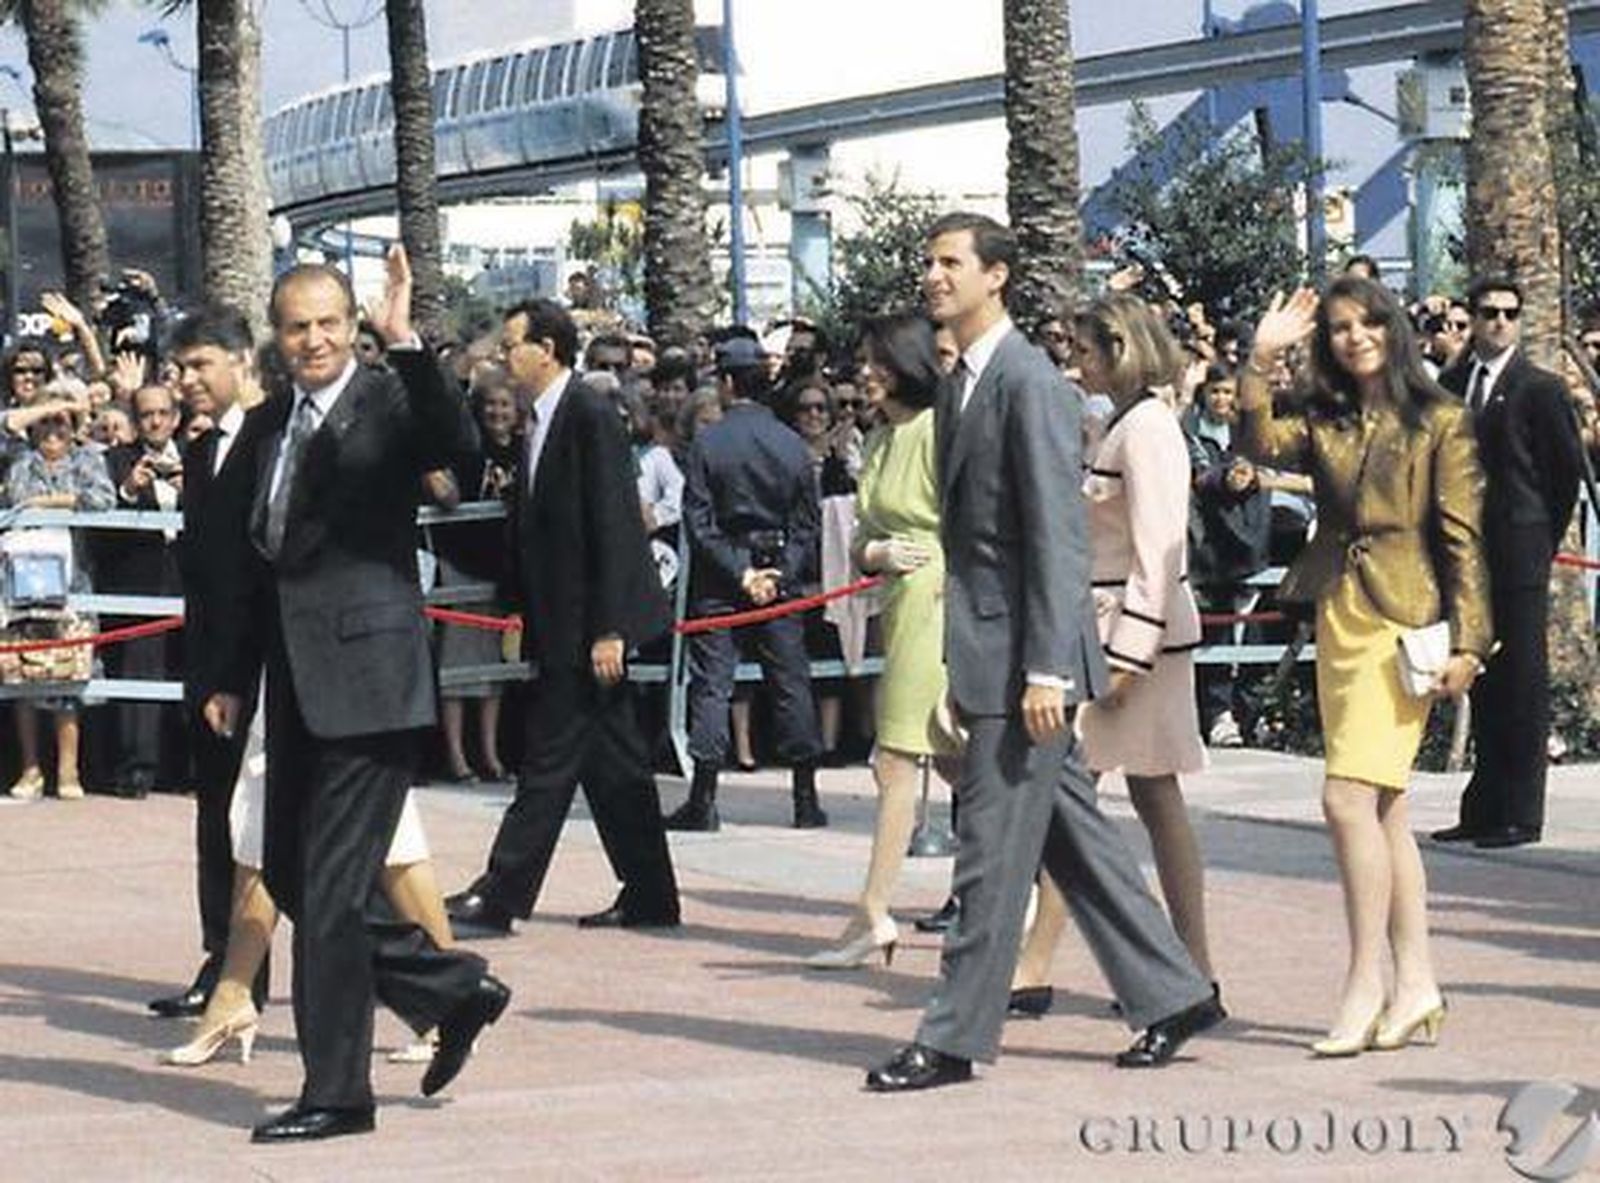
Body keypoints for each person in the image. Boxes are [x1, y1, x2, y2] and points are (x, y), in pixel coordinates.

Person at [865, 213, 1222, 1093]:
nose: (934, 276)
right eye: (929, 262)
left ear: (997, 276)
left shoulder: (1027, 382)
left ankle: (952, 1037)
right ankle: (1174, 992)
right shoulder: (964, 381)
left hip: (1026, 664)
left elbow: (1058, 538)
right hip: (991, 653)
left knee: (988, 855)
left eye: (951, 262)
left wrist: (1048, 669)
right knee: (1075, 841)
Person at [206, 247, 507, 1143]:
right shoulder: (269, 425)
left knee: (332, 895)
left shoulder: (389, 400)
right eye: (297, 327)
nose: (314, 340)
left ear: (352, 326)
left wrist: (407, 339)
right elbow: (251, 559)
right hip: (294, 684)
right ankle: (452, 987)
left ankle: (338, 1092)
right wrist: (229, 675)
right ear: (277, 336)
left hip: (373, 684)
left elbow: (459, 444)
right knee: (293, 875)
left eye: (329, 323)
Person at [1238, 278, 1490, 1056]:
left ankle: (1364, 980)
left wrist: (1470, 642)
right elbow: (1258, 445)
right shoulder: (1327, 415)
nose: (1355, 336)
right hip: (1339, 613)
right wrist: (1259, 359)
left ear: (1394, 328)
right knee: (1384, 809)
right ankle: (1416, 983)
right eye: (1341, 326)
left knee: (1346, 797)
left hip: (1403, 618)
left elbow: (1462, 536)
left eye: (1369, 322)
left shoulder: (1441, 418)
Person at [445, 298, 681, 937]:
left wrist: (610, 628)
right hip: (557, 620)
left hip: (588, 629)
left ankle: (501, 895)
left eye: (513, 344)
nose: (504, 356)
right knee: (616, 766)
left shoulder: (587, 414)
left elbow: (612, 522)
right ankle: (652, 894)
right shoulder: (541, 420)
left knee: (547, 763)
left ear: (546, 349)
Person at [1009, 293, 1217, 1015]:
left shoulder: (1147, 429)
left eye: (1086, 349)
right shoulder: (1122, 423)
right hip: (1109, 631)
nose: (1076, 361)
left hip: (1132, 639)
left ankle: (1040, 964)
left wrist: (1129, 653)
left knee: (1083, 799)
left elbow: (1159, 549)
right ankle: (1191, 969)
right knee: (1144, 796)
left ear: (1120, 349)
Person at [806, 314, 958, 970]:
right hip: (898, 600)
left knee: (896, 759)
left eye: (877, 361)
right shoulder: (879, 438)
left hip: (939, 602)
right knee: (955, 759)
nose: (864, 372)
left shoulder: (937, 430)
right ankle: (1028, 880)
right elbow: (863, 538)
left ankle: (872, 910)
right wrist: (878, 552)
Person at [146, 305, 272, 1020]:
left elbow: (259, 573)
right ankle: (227, 962)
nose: (188, 379)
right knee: (217, 819)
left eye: (201, 365)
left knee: (292, 829)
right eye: (180, 367)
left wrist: (235, 677)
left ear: (241, 360)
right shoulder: (199, 453)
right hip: (208, 662)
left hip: (261, 669)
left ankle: (417, 973)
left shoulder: (272, 440)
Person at [1431, 277, 1583, 850]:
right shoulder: (1451, 386)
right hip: (1466, 552)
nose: (1499, 322)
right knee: (1482, 679)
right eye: (1489, 312)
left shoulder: (1540, 388)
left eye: (1510, 313)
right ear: (1471, 318)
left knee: (1521, 680)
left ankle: (1521, 812)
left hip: (1519, 549)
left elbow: (1564, 474)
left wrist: (1537, 536)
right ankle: (1483, 807)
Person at [668, 336, 829, 832]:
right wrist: (780, 572)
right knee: (791, 682)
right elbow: (807, 521)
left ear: (727, 381)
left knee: (713, 684)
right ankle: (805, 799)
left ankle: (704, 799)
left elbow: (699, 520)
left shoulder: (708, 443)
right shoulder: (791, 443)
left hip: (723, 575)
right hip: (778, 568)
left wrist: (740, 571)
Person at [4, 412, 115, 800]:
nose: (52, 432)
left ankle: (69, 769)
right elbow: (16, 498)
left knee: (68, 673)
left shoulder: (87, 460)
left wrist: (48, 501)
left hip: (73, 582)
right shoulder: (22, 461)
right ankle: (30, 768)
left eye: (60, 424)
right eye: (45, 424)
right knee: (22, 672)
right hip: (23, 582)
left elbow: (103, 499)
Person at [433, 373, 519, 784]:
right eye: (491, 404)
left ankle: (490, 753)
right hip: (460, 562)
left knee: (493, 667)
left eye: (505, 404)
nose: (497, 412)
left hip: (503, 569)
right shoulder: (467, 447)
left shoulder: (524, 450)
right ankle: (456, 755)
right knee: (456, 663)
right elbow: (448, 496)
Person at [1183, 364, 1271, 747]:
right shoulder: (1189, 433)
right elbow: (1202, 478)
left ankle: (1247, 713)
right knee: (1211, 637)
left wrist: (1246, 478)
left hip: (1248, 547)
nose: (1222, 399)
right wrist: (1226, 479)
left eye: (1229, 392)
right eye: (1215, 391)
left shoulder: (1247, 435)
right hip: (1207, 551)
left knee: (1250, 635)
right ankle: (1214, 713)